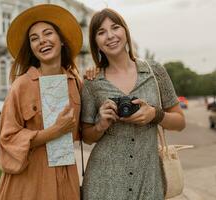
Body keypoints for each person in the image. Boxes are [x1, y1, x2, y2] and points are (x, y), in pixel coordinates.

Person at [80, 8, 186, 200]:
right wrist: (100, 125)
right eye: (101, 32)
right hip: (103, 183)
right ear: (95, 42)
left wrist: (155, 114)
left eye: (115, 28)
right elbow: (86, 137)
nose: (110, 36)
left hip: (149, 180)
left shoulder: (155, 72)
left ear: (125, 32)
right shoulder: (92, 82)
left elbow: (180, 122)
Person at [0, 4, 84, 200]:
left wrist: (101, 121)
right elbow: (7, 138)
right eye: (34, 38)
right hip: (30, 179)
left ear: (61, 41)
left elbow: (85, 131)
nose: (42, 41)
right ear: (32, 49)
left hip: (66, 175)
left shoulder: (76, 83)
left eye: (48, 33)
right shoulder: (21, 85)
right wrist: (54, 131)